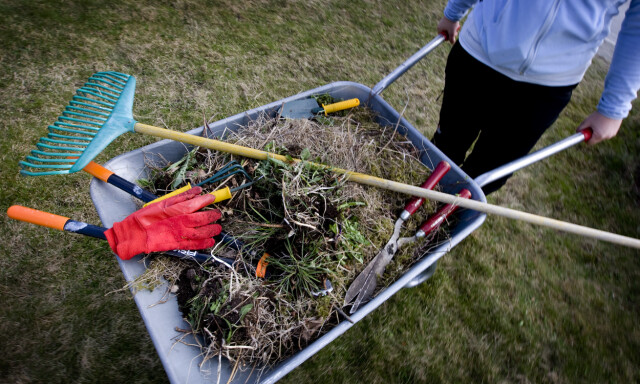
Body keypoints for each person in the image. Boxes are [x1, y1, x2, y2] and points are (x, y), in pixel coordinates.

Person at [432, 0, 640, 194]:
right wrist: (453, 12)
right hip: (478, 53)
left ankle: (444, 223)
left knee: (487, 176)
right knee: (444, 148)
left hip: (548, 85)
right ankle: (411, 203)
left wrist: (614, 108)